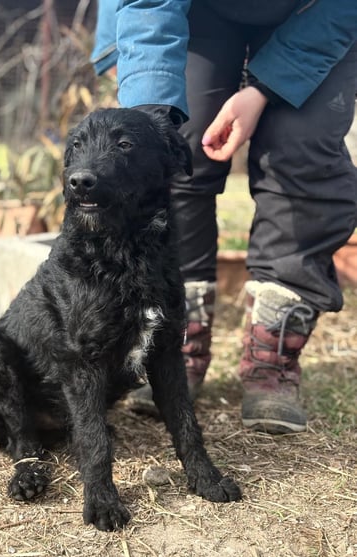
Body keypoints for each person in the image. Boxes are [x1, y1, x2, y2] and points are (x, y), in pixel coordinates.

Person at [90, 0, 357, 434]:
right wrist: (149, 106)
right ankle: (175, 344)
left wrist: (264, 90)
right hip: (194, 10)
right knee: (173, 144)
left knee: (301, 152)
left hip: (318, 11)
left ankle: (272, 352)